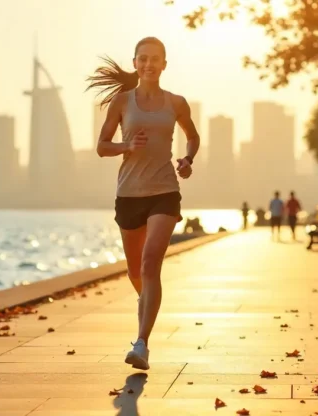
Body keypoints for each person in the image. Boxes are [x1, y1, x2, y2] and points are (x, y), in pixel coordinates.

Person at [86, 37, 200, 371]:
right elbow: (102, 146)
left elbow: (192, 136)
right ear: (135, 63)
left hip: (164, 191)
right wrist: (125, 145)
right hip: (129, 195)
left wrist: (188, 159)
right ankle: (146, 301)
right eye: (143, 59)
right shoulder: (122, 102)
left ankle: (142, 344)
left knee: (151, 264)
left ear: (165, 64)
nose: (149, 64)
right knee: (136, 271)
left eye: (156, 59)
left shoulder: (176, 103)